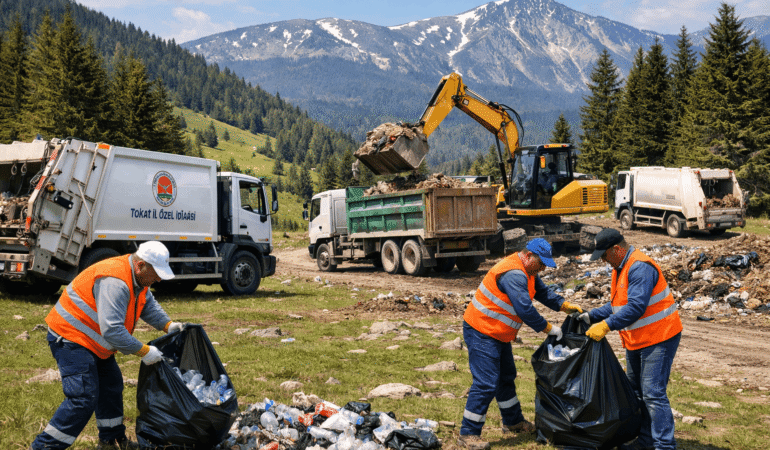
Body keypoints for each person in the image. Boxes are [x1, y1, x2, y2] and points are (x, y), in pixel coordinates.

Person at [30, 241, 184, 450]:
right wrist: (144, 351)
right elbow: (112, 331)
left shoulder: (138, 279)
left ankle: (111, 441)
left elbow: (147, 303)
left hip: (93, 342)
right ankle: (43, 447)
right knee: (82, 398)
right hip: (71, 338)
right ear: (140, 266)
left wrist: (168, 325)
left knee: (111, 386)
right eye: (156, 273)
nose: (158, 279)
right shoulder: (116, 281)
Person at [458, 238, 584, 450]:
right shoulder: (514, 274)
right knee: (486, 383)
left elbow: (542, 292)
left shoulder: (528, 271)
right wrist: (548, 328)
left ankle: (513, 421)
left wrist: (563, 305)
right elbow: (525, 309)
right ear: (527, 256)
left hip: (498, 333)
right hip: (482, 331)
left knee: (506, 377)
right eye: (541, 263)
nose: (543, 267)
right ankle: (468, 433)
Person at [580, 228, 682, 450]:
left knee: (653, 394)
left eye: (605, 256)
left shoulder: (639, 267)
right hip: (637, 339)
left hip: (659, 337)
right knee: (636, 391)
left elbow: (635, 307)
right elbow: (618, 305)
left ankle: (664, 445)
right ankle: (646, 440)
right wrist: (591, 315)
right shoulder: (621, 267)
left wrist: (606, 325)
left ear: (617, 249)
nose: (605, 261)